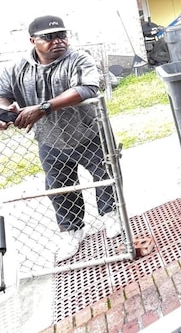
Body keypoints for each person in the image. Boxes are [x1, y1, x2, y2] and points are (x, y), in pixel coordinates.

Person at [0, 15, 121, 260]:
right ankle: (72, 230)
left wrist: (42, 108)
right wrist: (5, 112)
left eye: (62, 35)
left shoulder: (79, 59)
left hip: (90, 133)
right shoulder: (16, 68)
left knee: (105, 176)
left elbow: (87, 89)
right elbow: (2, 93)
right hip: (49, 139)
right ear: (33, 40)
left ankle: (111, 215)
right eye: (49, 37)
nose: (58, 41)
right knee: (59, 187)